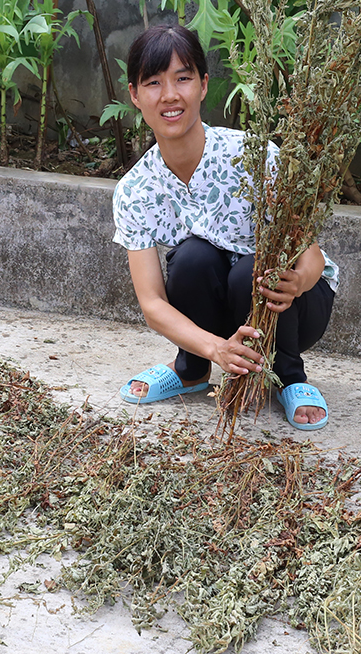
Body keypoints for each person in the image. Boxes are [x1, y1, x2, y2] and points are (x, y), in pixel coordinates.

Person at [112, 24, 338, 431]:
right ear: (134, 95)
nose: (170, 95)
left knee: (251, 267)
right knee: (191, 258)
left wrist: (298, 281)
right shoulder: (135, 191)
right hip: (222, 315)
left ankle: (289, 375)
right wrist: (216, 350)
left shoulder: (253, 157)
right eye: (153, 82)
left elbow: (313, 256)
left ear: (203, 84)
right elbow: (152, 303)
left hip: (296, 306)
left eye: (182, 78)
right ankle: (192, 369)